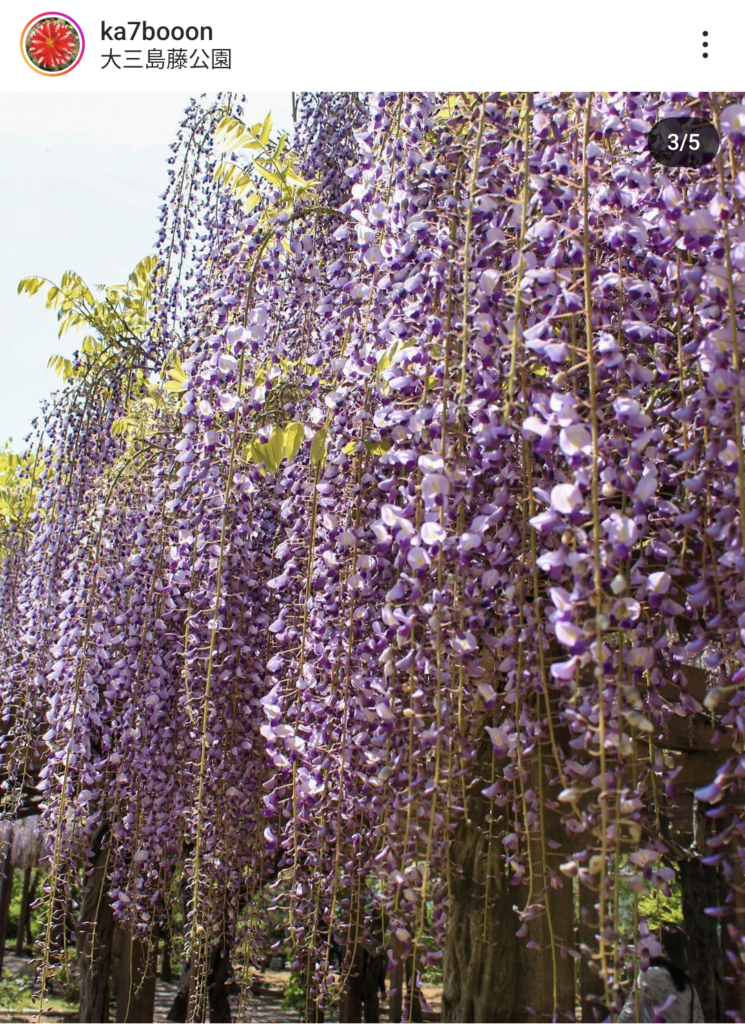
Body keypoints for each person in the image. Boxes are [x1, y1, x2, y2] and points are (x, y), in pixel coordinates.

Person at [618, 922, 704, 1023]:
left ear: (662, 948)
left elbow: (627, 1017)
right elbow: (699, 1020)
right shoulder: (688, 985)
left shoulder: (650, 975)